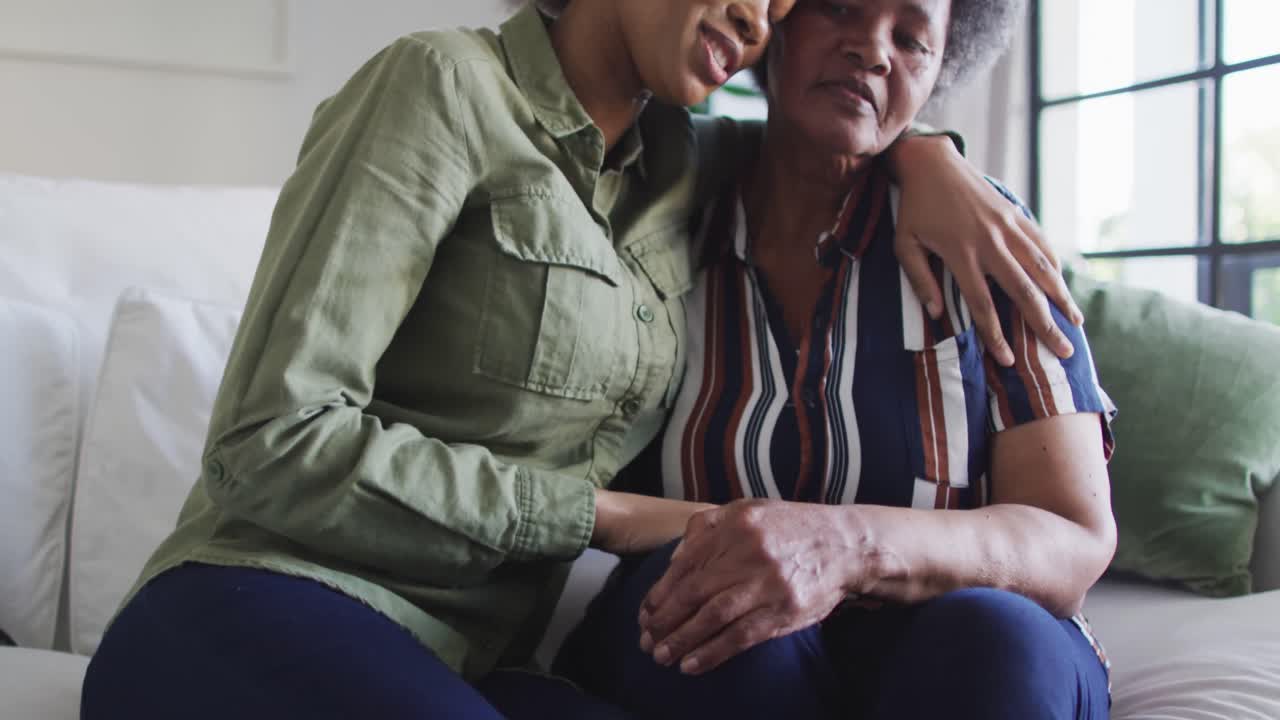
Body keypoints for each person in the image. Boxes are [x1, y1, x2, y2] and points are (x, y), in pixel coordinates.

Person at [80, 1, 1083, 718]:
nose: (758, 16)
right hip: (265, 596)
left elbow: (832, 134)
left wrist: (929, 157)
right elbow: (268, 442)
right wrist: (623, 518)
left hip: (469, 655)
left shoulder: (675, 172)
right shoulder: (442, 84)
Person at [555, 0, 1118, 718]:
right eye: (842, 9)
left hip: (957, 657)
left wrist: (848, 544)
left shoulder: (981, 240)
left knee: (997, 635)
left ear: (942, 67)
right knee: (704, 594)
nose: (874, 51)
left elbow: (1073, 538)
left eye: (911, 38)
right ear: (774, 20)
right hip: (734, 667)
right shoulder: (668, 216)